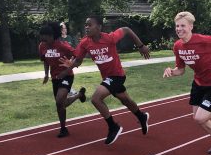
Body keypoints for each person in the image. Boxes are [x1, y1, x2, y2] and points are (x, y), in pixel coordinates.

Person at [59, 16, 150, 145]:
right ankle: (142, 116)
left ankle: (113, 127)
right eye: (86, 25)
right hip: (107, 77)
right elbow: (78, 60)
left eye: (90, 25)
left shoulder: (109, 38)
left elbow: (127, 29)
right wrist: (67, 70)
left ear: (99, 27)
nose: (86, 27)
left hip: (117, 75)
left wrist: (140, 46)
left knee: (96, 99)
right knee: (125, 100)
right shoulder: (85, 43)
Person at [163, 11, 211, 154]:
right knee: (197, 118)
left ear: (191, 26)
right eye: (177, 26)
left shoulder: (202, 40)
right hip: (199, 82)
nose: (179, 29)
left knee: (200, 118)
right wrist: (171, 71)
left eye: (183, 25)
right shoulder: (177, 46)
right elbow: (181, 70)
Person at [39, 22, 86, 138]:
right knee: (61, 104)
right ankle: (79, 95)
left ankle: (63, 128)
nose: (43, 40)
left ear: (52, 36)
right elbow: (45, 60)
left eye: (45, 37)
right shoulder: (42, 46)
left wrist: (68, 66)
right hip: (55, 77)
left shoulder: (63, 45)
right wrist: (46, 74)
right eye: (42, 37)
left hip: (66, 76)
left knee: (59, 100)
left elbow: (77, 56)